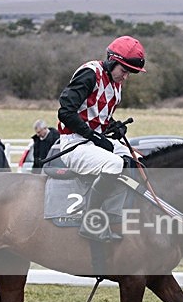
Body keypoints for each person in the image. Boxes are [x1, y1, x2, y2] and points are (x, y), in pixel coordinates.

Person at [57, 35, 146, 243]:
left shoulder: (115, 83)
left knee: (137, 160)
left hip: (90, 142)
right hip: (74, 144)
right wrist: (95, 137)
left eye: (129, 73)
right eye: (124, 71)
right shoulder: (90, 74)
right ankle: (91, 222)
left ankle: (122, 214)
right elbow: (66, 113)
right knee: (115, 164)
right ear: (112, 61)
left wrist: (113, 125)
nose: (125, 77)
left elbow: (96, 114)